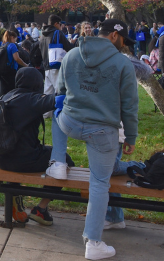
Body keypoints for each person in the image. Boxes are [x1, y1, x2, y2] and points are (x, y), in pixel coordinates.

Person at [47, 19, 138, 260]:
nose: (124, 47)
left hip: (71, 123)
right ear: (114, 37)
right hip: (103, 132)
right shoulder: (122, 63)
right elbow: (130, 106)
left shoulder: (72, 54)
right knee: (99, 183)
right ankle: (93, 242)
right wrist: (131, 136)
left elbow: (62, 92)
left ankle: (57, 162)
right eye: (124, 41)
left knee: (58, 110)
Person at [0, 67, 76, 225]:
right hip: (23, 160)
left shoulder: (7, 95)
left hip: (0, 157)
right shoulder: (32, 99)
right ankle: (41, 209)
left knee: (18, 150)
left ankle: (15, 197)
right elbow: (61, 100)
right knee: (64, 161)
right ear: (37, 83)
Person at [39, 14, 76, 100]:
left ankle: (46, 113)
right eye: (60, 24)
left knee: (47, 94)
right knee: (59, 91)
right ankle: (59, 112)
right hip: (56, 65)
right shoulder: (57, 33)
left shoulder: (42, 35)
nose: (61, 26)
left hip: (46, 66)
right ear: (56, 24)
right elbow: (68, 47)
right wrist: (72, 43)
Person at [0, 29, 27, 96]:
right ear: (12, 37)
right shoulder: (12, 45)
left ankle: (2, 103)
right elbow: (17, 58)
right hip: (10, 70)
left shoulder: (2, 45)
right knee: (12, 90)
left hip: (1, 71)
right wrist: (25, 65)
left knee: (3, 90)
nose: (16, 40)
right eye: (15, 38)